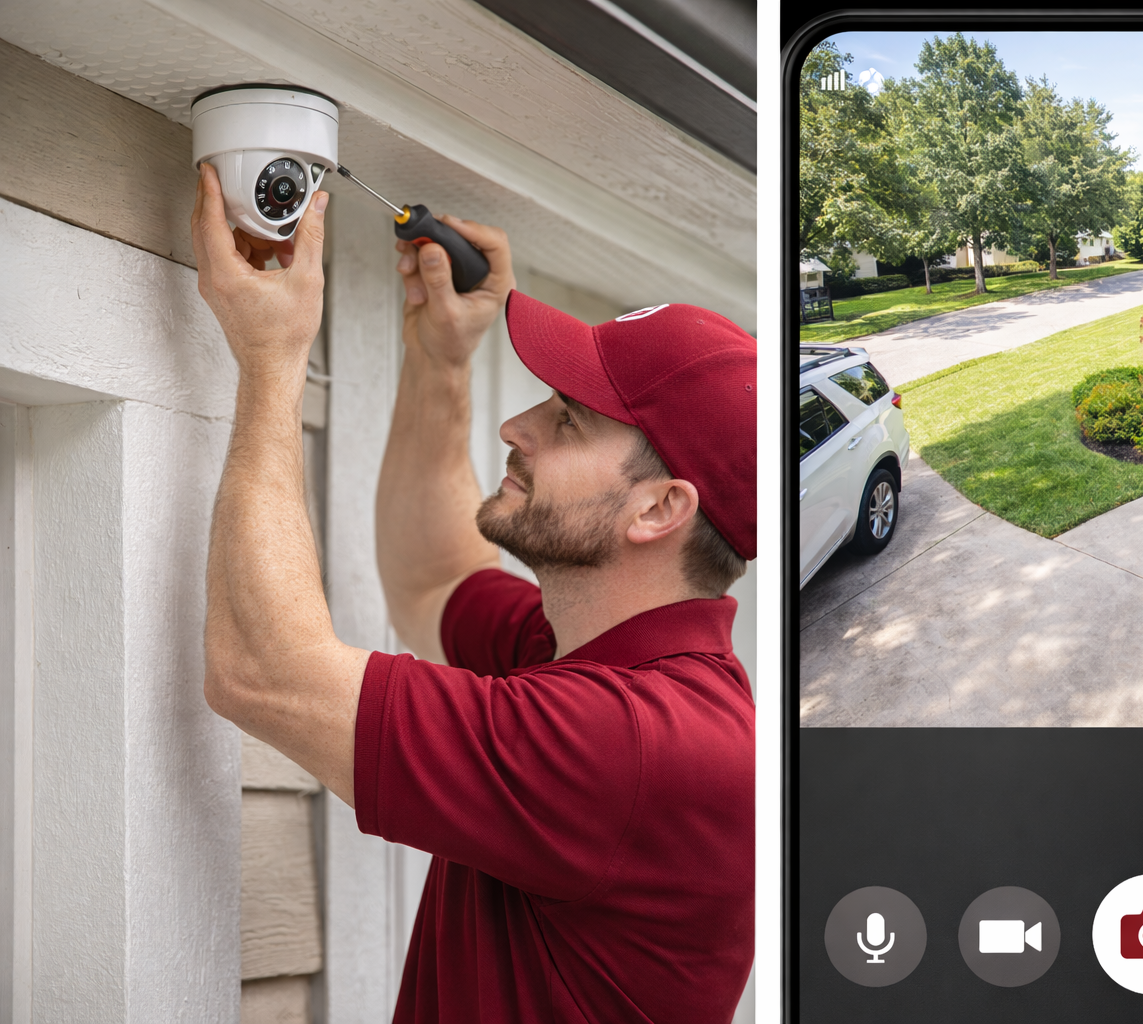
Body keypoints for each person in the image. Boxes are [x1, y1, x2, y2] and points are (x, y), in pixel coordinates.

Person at [192, 163, 755, 1022]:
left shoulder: (633, 747)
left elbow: (260, 670)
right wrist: (440, 359)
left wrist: (270, 364)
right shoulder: (585, 661)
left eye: (566, 420)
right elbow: (433, 577)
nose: (518, 425)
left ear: (660, 507)